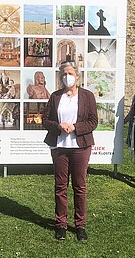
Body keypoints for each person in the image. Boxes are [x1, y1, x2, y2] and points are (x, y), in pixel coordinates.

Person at [42, 61, 98, 241]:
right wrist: (59, 126)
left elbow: (93, 122)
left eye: (70, 73)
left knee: (79, 187)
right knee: (60, 187)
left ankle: (80, 225)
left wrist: (75, 127)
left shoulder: (87, 96)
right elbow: (45, 120)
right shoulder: (55, 96)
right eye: (64, 74)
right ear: (60, 77)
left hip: (80, 147)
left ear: (77, 76)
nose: (68, 77)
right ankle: (61, 224)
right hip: (60, 147)